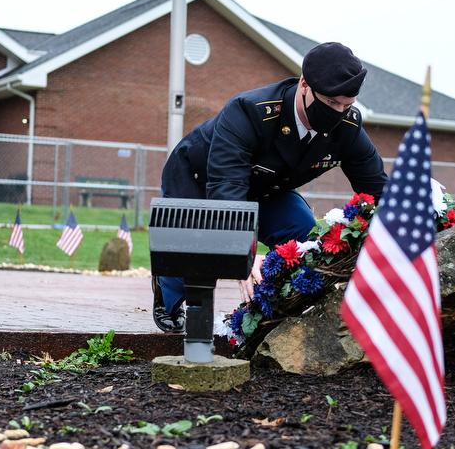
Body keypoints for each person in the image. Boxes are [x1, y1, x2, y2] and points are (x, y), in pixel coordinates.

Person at [153, 42, 388, 333]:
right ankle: (168, 293)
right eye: (330, 103)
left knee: (304, 231)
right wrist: (242, 252)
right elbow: (227, 186)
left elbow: (378, 189)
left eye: (346, 105)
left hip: (266, 188)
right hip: (197, 179)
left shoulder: (348, 128)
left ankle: (276, 304)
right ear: (304, 85)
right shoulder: (249, 111)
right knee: (195, 256)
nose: (338, 113)